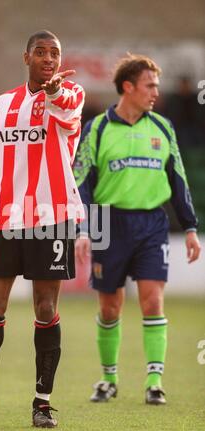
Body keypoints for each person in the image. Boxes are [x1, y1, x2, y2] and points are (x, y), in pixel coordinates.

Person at [0, 30, 85, 428]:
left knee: (46, 308)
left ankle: (42, 404)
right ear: (26, 57)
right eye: (41, 52)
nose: (49, 59)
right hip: (4, 220)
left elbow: (64, 106)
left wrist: (56, 91)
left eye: (55, 53)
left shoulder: (71, 95)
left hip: (50, 219)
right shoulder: (3, 103)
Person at [74, 53, 201, 405]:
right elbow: (81, 181)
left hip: (151, 223)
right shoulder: (97, 129)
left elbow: (178, 178)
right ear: (128, 87)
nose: (155, 93)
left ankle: (154, 381)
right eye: (150, 86)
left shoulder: (162, 127)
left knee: (152, 300)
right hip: (107, 221)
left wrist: (190, 227)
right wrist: (84, 229)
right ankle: (108, 379)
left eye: (156, 86)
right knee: (110, 307)